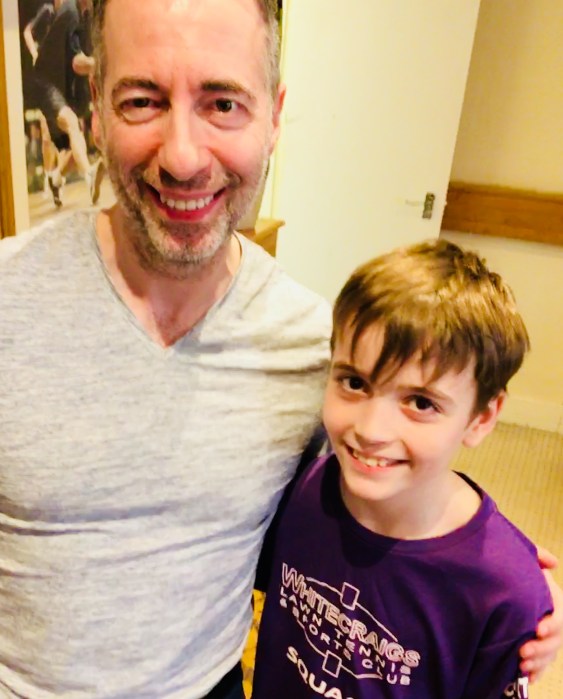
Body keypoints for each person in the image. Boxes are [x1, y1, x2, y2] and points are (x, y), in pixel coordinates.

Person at [0, 1, 560, 697]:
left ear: (273, 119)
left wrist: (506, 585)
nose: (182, 156)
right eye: (142, 101)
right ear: (94, 110)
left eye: (223, 104)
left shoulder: (316, 351)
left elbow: (363, 512)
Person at [251, 239, 554, 699]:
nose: (372, 430)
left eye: (421, 403)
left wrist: (532, 592)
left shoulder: (504, 592)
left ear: (481, 418)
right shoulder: (301, 491)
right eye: (355, 382)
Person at [29, 0, 104, 206]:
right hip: (47, 82)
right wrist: (102, 64)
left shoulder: (85, 16)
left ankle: (55, 178)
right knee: (71, 124)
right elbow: (77, 63)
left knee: (74, 141)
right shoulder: (71, 13)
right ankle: (89, 175)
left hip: (67, 85)